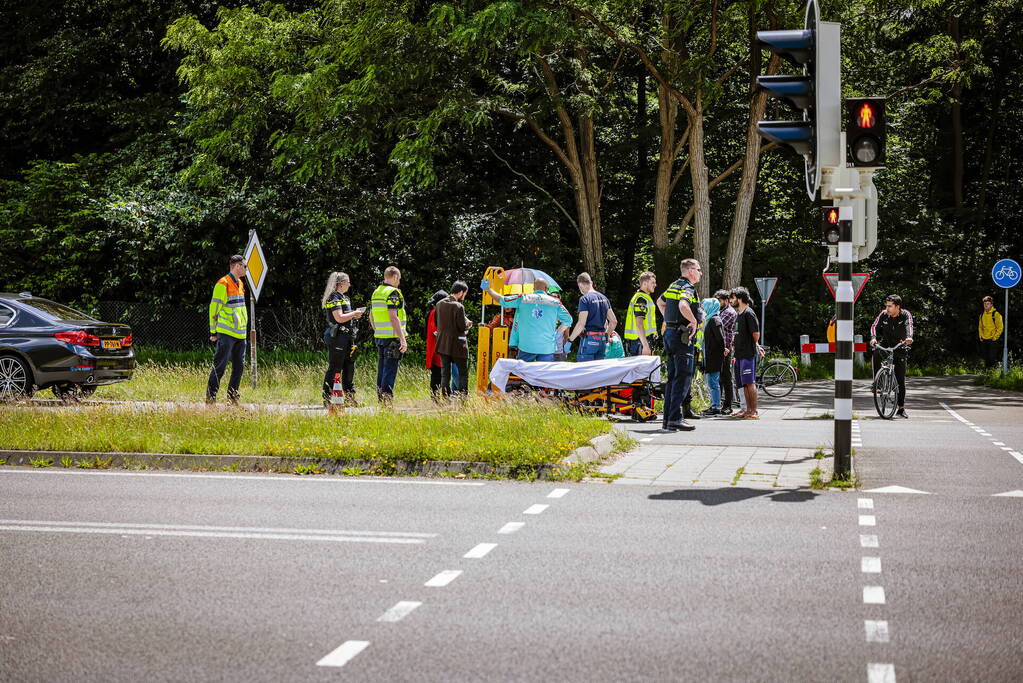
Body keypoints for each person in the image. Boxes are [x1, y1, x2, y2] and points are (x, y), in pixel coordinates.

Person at [656, 259, 702, 432]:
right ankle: (675, 418)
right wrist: (693, 321)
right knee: (682, 377)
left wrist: (668, 319)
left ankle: (668, 419)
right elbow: (683, 305)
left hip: (670, 334)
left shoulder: (673, 285)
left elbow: (660, 302)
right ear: (690, 271)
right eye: (698, 270)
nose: (700, 273)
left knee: (673, 378)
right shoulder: (688, 288)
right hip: (681, 337)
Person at [481, 277, 571, 362]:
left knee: (522, 372)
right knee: (543, 372)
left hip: (527, 346)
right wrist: (557, 334)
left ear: (533, 288)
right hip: (547, 348)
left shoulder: (523, 298)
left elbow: (503, 300)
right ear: (546, 289)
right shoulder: (555, 302)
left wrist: (488, 289)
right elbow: (568, 320)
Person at [206, 254, 249, 404]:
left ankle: (232, 397)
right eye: (245, 266)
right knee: (220, 367)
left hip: (240, 334)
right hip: (226, 333)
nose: (246, 269)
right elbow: (214, 309)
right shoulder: (222, 284)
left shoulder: (240, 283)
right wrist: (213, 332)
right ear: (237, 266)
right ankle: (211, 399)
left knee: (239, 367)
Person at [321, 271, 364, 406]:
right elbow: (339, 318)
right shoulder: (333, 297)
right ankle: (327, 397)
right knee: (335, 367)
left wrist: (354, 314)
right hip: (338, 337)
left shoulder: (345, 298)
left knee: (349, 366)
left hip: (348, 336)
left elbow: (346, 315)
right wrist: (354, 313)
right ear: (341, 283)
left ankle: (349, 397)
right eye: (348, 282)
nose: (349, 285)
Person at [870, 294, 914, 418]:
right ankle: (878, 383)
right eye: (887, 306)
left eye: (890, 306)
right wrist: (873, 338)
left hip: (900, 346)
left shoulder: (905, 315)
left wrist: (909, 337)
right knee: (876, 352)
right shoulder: (884, 314)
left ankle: (901, 408)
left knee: (900, 380)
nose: (887, 308)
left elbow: (909, 326)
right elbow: (874, 326)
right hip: (886, 344)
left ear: (897, 307)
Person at [370, 266, 408, 403]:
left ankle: (381, 398)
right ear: (395, 277)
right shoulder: (393, 292)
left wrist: (377, 330)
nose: (399, 282)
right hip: (392, 337)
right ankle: (387, 400)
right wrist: (402, 339)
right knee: (390, 370)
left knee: (382, 369)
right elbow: (393, 317)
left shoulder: (376, 292)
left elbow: (371, 316)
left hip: (380, 337)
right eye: (399, 279)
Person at [569, 272, 617, 362]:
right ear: (591, 282)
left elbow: (581, 324)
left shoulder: (584, 299)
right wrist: (606, 335)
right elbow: (614, 321)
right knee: (598, 368)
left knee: (585, 369)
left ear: (580, 285)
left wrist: (570, 340)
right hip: (602, 340)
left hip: (589, 339)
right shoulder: (604, 298)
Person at [435, 281, 472, 397]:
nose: (464, 296)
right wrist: (468, 324)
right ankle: (463, 398)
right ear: (461, 292)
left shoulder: (439, 304)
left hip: (442, 344)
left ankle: (445, 397)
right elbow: (461, 327)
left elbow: (437, 323)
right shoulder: (459, 306)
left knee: (445, 374)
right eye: (465, 294)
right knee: (463, 373)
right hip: (457, 345)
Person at [730, 286, 762, 419]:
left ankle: (753, 411)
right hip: (739, 354)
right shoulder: (739, 314)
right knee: (743, 383)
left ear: (739, 298)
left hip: (748, 354)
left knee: (750, 382)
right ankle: (747, 410)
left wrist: (751, 345)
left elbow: (756, 334)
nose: (730, 300)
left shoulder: (749, 313)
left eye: (732, 298)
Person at [700, 298, 725, 416]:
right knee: (711, 381)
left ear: (710, 307)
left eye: (705, 307)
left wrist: (718, 352)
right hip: (710, 355)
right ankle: (713, 405)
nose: (703, 309)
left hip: (713, 356)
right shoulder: (710, 319)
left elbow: (720, 339)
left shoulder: (715, 320)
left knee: (713, 382)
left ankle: (716, 407)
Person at [715, 289, 738, 415]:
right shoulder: (721, 311)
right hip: (720, 348)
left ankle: (728, 405)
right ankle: (718, 404)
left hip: (726, 349)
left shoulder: (729, 312)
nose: (717, 302)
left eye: (719, 300)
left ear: (726, 300)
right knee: (719, 378)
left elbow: (719, 327)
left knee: (726, 377)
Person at [624, 272, 658, 356]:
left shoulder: (644, 297)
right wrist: (645, 346)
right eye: (652, 283)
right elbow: (639, 323)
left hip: (640, 342)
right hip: (640, 343)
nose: (655, 285)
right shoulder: (641, 299)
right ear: (645, 283)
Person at [425, 290, 448, 399]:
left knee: (437, 375)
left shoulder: (432, 311)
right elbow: (435, 330)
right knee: (439, 375)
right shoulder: (435, 312)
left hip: (434, 347)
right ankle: (437, 398)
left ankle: (436, 398)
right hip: (438, 348)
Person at [979, 295, 1004, 368]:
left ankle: (992, 372)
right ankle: (986, 372)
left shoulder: (996, 314)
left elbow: (1000, 327)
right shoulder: (982, 315)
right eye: (985, 304)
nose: (986, 305)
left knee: (992, 358)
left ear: (991, 304)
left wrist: (995, 337)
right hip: (984, 339)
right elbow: (980, 327)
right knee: (985, 357)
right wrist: (980, 336)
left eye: (988, 304)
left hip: (993, 339)